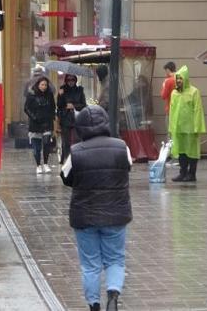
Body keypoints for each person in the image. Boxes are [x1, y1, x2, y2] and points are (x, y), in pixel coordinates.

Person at [60, 105, 132, 311]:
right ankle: (113, 296)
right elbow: (127, 167)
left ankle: (94, 305)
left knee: (90, 264)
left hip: (85, 216)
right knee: (115, 259)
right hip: (116, 213)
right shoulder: (122, 147)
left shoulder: (76, 152)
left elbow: (65, 177)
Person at [168, 66, 206, 182]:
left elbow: (198, 109)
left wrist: (197, 127)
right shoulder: (174, 93)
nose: (179, 81)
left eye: (181, 78)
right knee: (181, 151)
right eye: (177, 78)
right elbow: (172, 110)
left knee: (192, 152)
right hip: (178, 128)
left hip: (190, 128)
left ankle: (192, 174)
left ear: (185, 79)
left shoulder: (194, 92)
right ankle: (183, 173)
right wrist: (171, 127)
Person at [24, 76, 56, 174]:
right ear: (38, 85)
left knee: (46, 144)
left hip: (47, 123)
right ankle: (38, 165)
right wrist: (34, 117)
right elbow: (26, 108)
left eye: (45, 85)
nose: (44, 87)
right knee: (36, 148)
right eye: (42, 85)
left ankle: (45, 164)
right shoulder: (31, 95)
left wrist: (52, 117)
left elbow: (53, 107)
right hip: (35, 124)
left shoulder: (49, 95)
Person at [57, 74, 86, 164]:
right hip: (65, 117)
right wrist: (60, 95)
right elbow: (59, 105)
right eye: (68, 80)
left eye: (72, 80)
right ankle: (66, 158)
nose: (71, 82)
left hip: (77, 117)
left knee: (78, 139)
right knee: (66, 140)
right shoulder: (62, 90)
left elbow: (83, 105)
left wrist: (74, 106)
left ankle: (77, 158)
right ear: (66, 80)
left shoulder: (79, 90)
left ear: (75, 80)